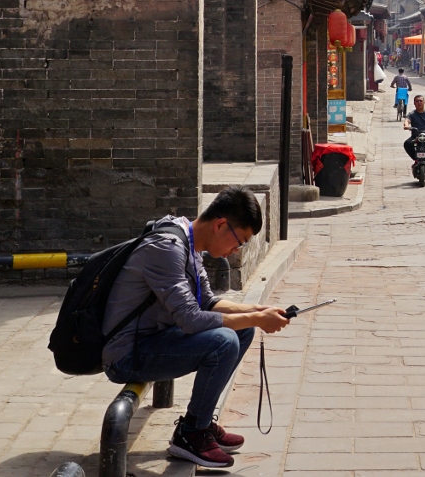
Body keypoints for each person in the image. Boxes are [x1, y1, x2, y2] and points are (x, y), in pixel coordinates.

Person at [101, 187, 290, 468]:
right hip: (126, 355)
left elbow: (208, 303)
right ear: (221, 225)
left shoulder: (189, 243)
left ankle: (199, 422)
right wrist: (256, 319)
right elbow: (190, 319)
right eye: (239, 242)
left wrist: (257, 311)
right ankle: (191, 434)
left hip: (153, 340)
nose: (236, 250)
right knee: (224, 341)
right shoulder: (167, 249)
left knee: (242, 331)